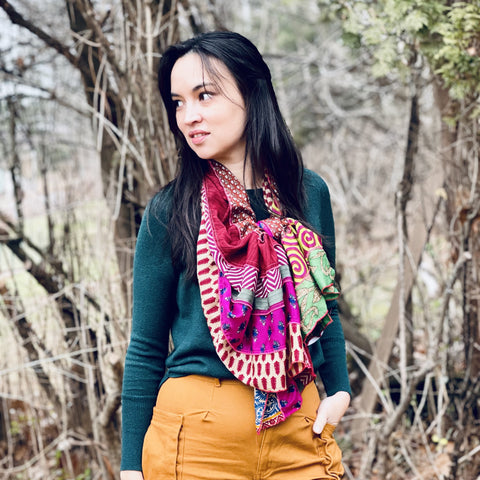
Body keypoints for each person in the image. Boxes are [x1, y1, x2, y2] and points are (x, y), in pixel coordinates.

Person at [120, 31, 351, 480]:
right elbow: (145, 348)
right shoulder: (171, 210)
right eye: (178, 102)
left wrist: (338, 390)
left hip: (296, 424)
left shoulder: (307, 193)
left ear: (252, 91)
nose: (189, 116)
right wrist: (131, 467)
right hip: (197, 438)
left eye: (204, 95)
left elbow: (324, 304)